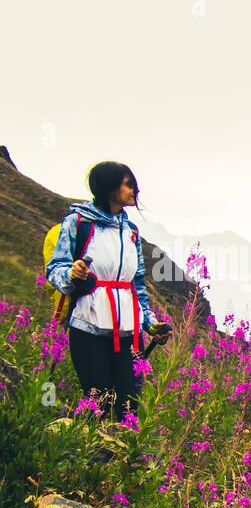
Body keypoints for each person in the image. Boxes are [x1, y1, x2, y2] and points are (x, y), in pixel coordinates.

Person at [45, 161, 172, 421]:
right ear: (109, 187)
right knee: (96, 400)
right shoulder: (77, 222)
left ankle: (125, 459)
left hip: (128, 329)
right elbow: (55, 268)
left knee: (129, 404)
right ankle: (90, 458)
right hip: (88, 326)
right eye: (128, 183)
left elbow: (136, 285)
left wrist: (150, 323)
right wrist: (72, 274)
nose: (134, 189)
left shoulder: (131, 232)